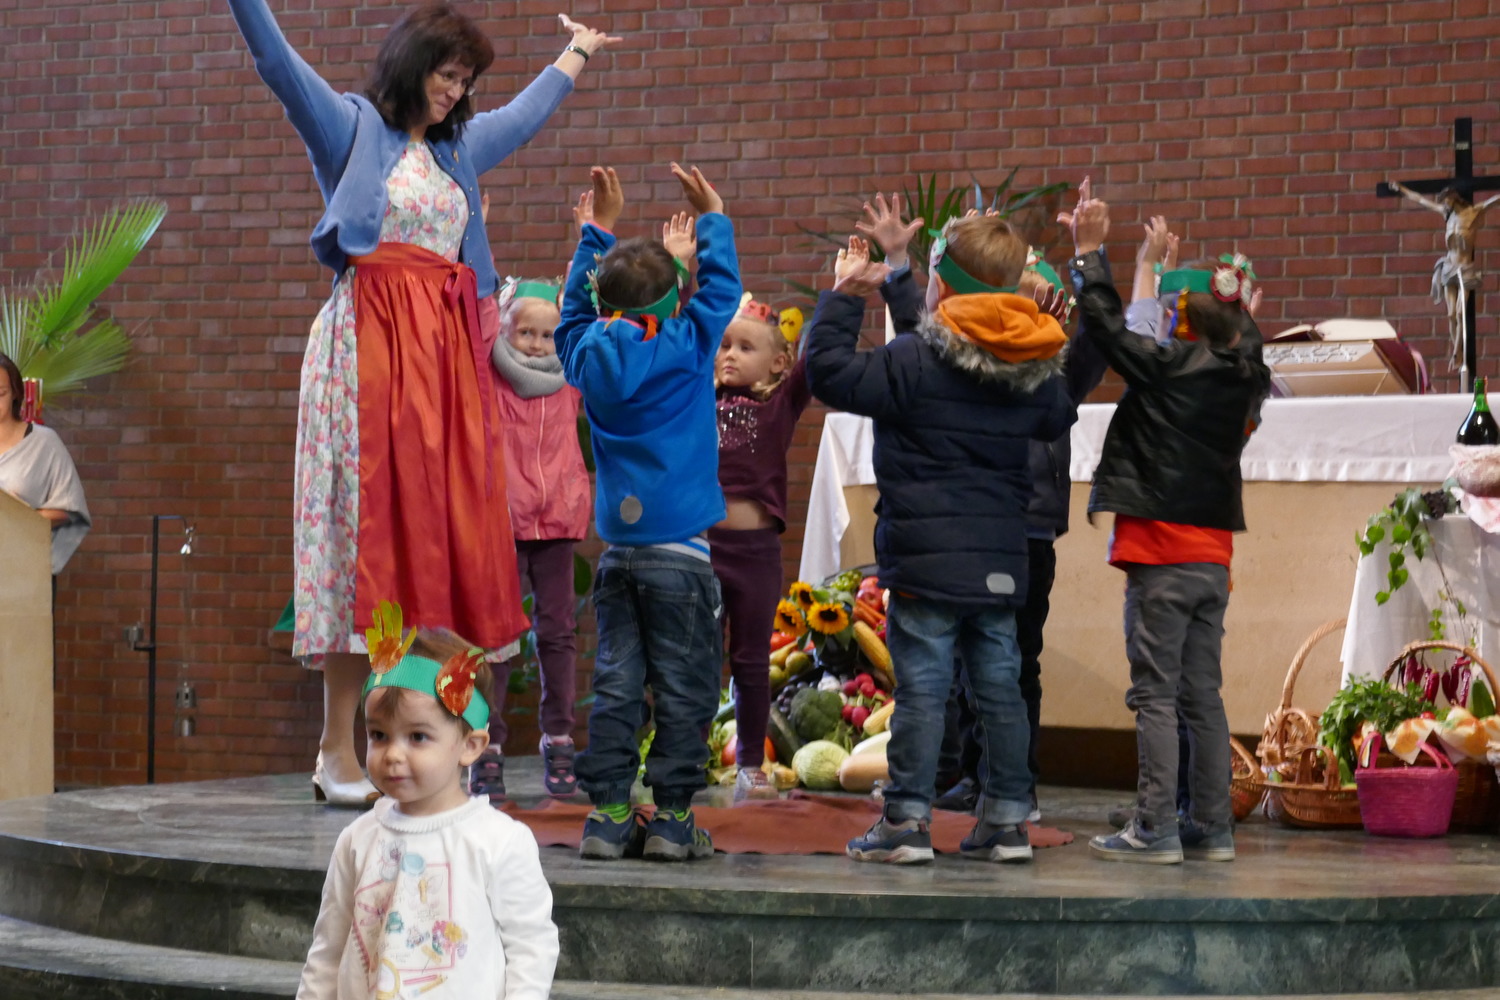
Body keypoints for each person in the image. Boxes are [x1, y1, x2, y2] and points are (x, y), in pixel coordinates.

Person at [225, 0, 617, 805]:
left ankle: (433, 738)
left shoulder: (457, 148)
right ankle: (338, 749)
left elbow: (524, 117)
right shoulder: (351, 127)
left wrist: (575, 53)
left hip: (441, 362)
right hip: (364, 353)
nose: (456, 92)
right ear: (413, 65)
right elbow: (277, 65)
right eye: (447, 75)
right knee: (354, 539)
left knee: (444, 542)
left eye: (466, 81)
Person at [806, 199, 1075, 866]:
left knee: (925, 690)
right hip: (1000, 562)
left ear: (944, 285)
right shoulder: (1027, 371)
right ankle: (1009, 820)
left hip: (926, 564)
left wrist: (845, 295)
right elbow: (1055, 409)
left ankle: (905, 824)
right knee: (1000, 690)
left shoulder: (912, 364)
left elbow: (830, 373)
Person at [1061, 187, 1271, 865]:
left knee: (1153, 693)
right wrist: (1239, 313)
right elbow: (1246, 341)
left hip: (1159, 554)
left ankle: (1154, 826)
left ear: (1181, 320)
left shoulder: (1165, 369)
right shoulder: (1245, 375)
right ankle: (1211, 828)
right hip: (1212, 561)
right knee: (1201, 695)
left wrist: (1091, 254)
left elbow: (1103, 325)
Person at [555, 163, 742, 861]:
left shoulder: (585, 352)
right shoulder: (689, 346)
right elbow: (720, 292)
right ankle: (669, 818)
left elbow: (575, 313)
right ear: (674, 300)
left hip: (621, 553)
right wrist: (713, 217)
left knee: (617, 683)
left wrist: (593, 233)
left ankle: (606, 815)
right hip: (681, 556)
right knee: (685, 685)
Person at [296, 619, 558, 999]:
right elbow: (327, 951)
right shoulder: (358, 840)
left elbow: (532, 948)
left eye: (418, 736)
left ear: (470, 746)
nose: (393, 755)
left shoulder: (499, 841)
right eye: (379, 735)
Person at [473, 277, 590, 803]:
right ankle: (486, 744)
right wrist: (472, 233)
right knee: (495, 639)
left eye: (548, 335)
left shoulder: (571, 381)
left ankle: (559, 737)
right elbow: (477, 326)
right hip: (503, 522)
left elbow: (591, 319)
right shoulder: (491, 376)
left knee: (558, 632)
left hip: (558, 521)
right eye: (526, 333)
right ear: (507, 329)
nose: (538, 344)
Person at [711, 290, 811, 801]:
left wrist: (842, 292)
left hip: (755, 555)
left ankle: (751, 761)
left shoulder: (781, 405)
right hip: (701, 551)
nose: (728, 354)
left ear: (777, 362)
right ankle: (688, 753)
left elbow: (817, 358)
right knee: (696, 661)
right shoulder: (697, 399)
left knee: (750, 661)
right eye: (723, 345)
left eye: (744, 347)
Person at [0, 354, 91, 577]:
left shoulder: (44, 443)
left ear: (14, 394)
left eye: (0, 393)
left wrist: (20, 516)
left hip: (23, 573)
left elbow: (69, 509)